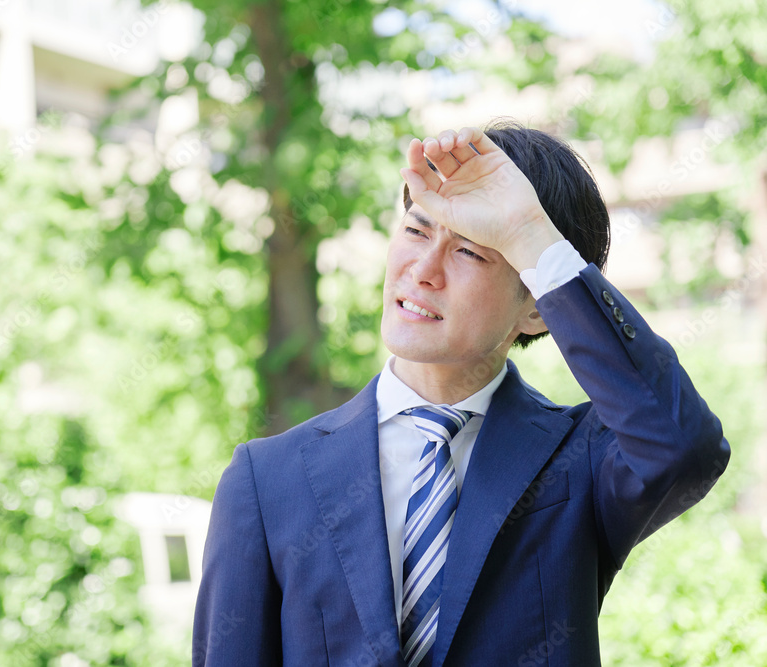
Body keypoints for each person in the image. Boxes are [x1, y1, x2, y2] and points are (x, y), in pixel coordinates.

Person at [192, 121, 729, 666]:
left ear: (536, 305)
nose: (422, 272)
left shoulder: (582, 462)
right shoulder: (267, 481)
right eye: (417, 231)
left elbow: (685, 448)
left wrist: (528, 232)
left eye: (472, 253)